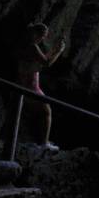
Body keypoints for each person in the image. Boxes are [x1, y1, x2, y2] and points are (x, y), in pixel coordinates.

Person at [14, 22, 66, 150]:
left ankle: (40, 141)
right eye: (42, 35)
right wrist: (59, 51)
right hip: (31, 86)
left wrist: (54, 50)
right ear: (35, 34)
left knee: (38, 113)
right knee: (46, 112)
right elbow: (46, 63)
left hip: (26, 83)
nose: (43, 38)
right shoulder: (32, 47)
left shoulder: (26, 45)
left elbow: (41, 60)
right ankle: (43, 143)